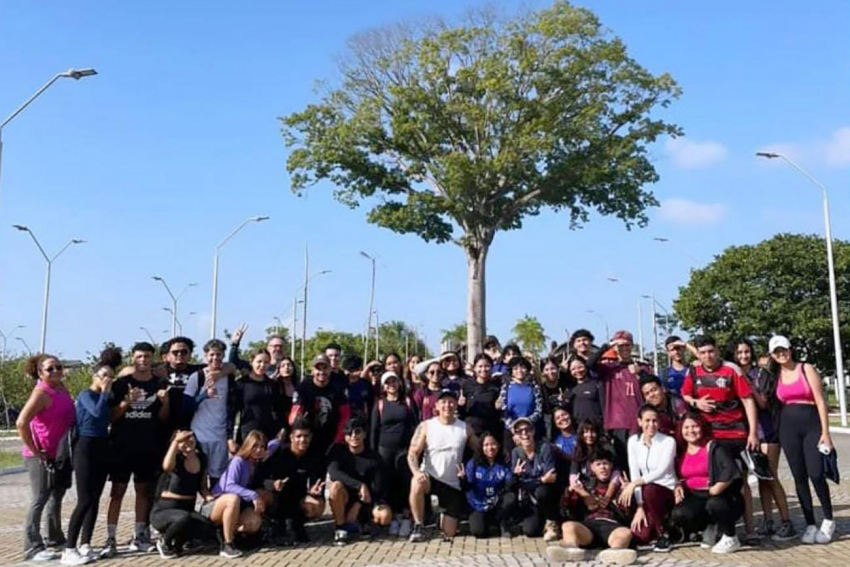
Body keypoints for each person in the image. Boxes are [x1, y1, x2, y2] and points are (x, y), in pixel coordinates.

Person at [681, 334, 760, 544]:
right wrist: (696, 403)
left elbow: (747, 400)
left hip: (735, 434)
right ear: (698, 354)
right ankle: (717, 526)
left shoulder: (730, 369)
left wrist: (753, 432)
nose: (708, 356)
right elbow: (686, 395)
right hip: (709, 438)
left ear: (717, 350)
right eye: (703, 352)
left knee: (740, 483)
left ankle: (750, 529)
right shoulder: (693, 370)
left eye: (711, 351)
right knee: (714, 482)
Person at [101, 342, 169, 557]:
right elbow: (111, 417)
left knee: (143, 492)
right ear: (133, 357)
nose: (143, 360)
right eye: (139, 356)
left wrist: (165, 402)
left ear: (152, 358)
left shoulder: (159, 384)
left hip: (148, 447)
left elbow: (162, 418)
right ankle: (110, 538)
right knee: (117, 492)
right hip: (122, 446)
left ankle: (140, 535)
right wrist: (126, 403)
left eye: (147, 357)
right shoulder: (122, 384)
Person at [770, 335, 835, 544]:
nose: (781, 354)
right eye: (776, 351)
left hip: (812, 426)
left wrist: (826, 433)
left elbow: (820, 401)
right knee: (799, 477)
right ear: (772, 355)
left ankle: (828, 519)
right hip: (788, 429)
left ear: (790, 349)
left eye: (784, 349)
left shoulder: (805, 368)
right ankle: (810, 523)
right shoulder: (776, 375)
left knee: (816, 473)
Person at [62, 349, 121, 566]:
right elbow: (96, 413)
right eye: (103, 375)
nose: (107, 380)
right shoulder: (86, 395)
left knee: (95, 498)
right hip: (85, 446)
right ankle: (69, 548)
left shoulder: (107, 396)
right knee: (84, 499)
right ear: (94, 377)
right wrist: (105, 392)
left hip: (102, 445)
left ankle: (86, 543)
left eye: (110, 376)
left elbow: (110, 417)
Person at [17, 354, 76, 562]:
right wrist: (35, 450)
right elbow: (21, 422)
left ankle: (54, 537)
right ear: (40, 373)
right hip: (40, 455)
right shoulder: (41, 392)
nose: (56, 371)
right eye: (50, 369)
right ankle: (31, 546)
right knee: (39, 497)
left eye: (58, 367)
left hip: (59, 453)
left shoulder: (61, 388)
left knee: (56, 495)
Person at [734, 338, 794, 540]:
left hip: (767, 432)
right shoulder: (732, 373)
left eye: (746, 352)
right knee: (761, 479)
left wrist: (747, 381)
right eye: (739, 352)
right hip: (746, 433)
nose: (743, 356)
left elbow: (762, 403)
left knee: (771, 476)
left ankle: (786, 521)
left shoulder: (762, 375)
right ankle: (768, 520)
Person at [407, 389, 477, 542]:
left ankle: (438, 513)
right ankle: (419, 525)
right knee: (416, 483)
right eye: (443, 402)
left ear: (456, 405)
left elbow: (481, 451)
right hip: (430, 478)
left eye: (451, 401)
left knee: (449, 533)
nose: (447, 405)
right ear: (436, 406)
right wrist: (417, 472)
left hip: (453, 484)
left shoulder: (465, 428)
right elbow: (412, 453)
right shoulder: (426, 426)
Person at [668, 413, 744, 554]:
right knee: (680, 514)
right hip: (696, 495)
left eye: (695, 426)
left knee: (714, 504)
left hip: (722, 496)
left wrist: (717, 488)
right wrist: (678, 484)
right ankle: (710, 526)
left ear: (702, 428)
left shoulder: (713, 447)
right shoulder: (681, 451)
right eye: (686, 427)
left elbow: (731, 468)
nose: (691, 431)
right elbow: (680, 474)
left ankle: (730, 536)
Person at [547, 450, 637, 566]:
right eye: (598, 464)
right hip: (589, 526)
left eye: (605, 464)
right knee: (568, 526)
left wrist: (626, 493)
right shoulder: (585, 485)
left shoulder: (619, 485)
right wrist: (570, 491)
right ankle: (571, 550)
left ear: (611, 466)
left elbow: (628, 513)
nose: (603, 468)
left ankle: (615, 552)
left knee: (625, 533)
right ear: (592, 467)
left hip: (612, 525)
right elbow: (567, 508)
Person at [256, 418, 326, 544]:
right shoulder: (279, 454)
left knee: (317, 504)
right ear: (291, 437)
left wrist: (314, 491)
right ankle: (270, 525)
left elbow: (317, 482)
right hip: (277, 498)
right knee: (261, 495)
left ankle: (297, 525)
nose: (303, 440)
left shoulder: (314, 456)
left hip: (298, 499)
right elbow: (260, 478)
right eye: (299, 436)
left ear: (311, 437)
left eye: (306, 436)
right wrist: (273, 484)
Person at [206, 430, 275, 558]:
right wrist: (253, 495)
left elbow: (276, 444)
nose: (258, 450)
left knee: (253, 522)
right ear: (248, 445)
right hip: (217, 503)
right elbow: (229, 486)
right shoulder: (238, 461)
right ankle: (227, 544)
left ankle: (232, 533)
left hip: (238, 505)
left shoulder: (256, 464)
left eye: (261, 447)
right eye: (255, 446)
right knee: (233, 498)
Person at [619, 404, 677, 552]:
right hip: (645, 494)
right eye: (647, 421)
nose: (651, 425)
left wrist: (635, 484)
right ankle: (658, 529)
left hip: (665, 490)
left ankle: (663, 534)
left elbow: (662, 471)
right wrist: (639, 506)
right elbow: (634, 472)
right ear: (639, 422)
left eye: (655, 420)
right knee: (640, 536)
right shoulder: (633, 441)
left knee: (649, 489)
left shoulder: (668, 441)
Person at [587, 331, 648, 471]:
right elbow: (589, 364)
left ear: (632, 346)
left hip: (639, 423)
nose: (624, 348)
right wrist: (606, 346)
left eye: (627, 345)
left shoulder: (642, 367)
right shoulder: (608, 368)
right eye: (619, 345)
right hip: (617, 424)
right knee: (621, 464)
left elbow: (652, 388)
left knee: (640, 464)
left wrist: (640, 373)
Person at [151, 430, 216, 558]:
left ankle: (181, 542)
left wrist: (211, 499)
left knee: (208, 527)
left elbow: (202, 487)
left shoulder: (202, 458)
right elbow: (167, 467)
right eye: (182, 440)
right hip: (164, 511)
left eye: (190, 438)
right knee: (183, 518)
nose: (187, 442)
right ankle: (165, 542)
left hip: (187, 509)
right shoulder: (174, 458)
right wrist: (176, 441)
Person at [328, 418, 392, 545]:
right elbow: (334, 473)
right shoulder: (337, 451)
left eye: (357, 432)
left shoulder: (374, 457)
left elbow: (379, 488)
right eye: (349, 433)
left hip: (367, 500)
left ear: (364, 434)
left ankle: (364, 523)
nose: (353, 436)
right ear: (345, 437)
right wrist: (359, 485)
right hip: (345, 498)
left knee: (385, 516)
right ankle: (341, 528)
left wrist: (358, 504)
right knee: (335, 487)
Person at [184, 339, 237, 487]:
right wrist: (204, 396)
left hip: (220, 435)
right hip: (199, 434)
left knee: (217, 478)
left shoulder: (228, 376)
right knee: (195, 476)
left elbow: (237, 364)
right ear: (206, 356)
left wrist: (235, 344)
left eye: (219, 354)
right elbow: (186, 405)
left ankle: (213, 509)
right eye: (212, 354)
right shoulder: (198, 377)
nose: (215, 358)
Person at [370, 371, 417, 537]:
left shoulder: (408, 402)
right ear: (383, 386)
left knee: (404, 482)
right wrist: (373, 454)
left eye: (394, 381)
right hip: (384, 450)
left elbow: (414, 426)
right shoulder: (380, 405)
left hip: (404, 449)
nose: (392, 385)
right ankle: (393, 517)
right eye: (388, 382)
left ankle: (406, 517)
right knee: (387, 484)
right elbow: (374, 430)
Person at [289, 354, 351, 458]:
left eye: (325, 368)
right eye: (318, 368)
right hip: (309, 439)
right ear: (313, 370)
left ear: (330, 369)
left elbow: (345, 415)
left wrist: (338, 440)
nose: (322, 372)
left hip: (331, 437)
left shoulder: (338, 388)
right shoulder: (304, 387)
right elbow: (294, 414)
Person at [510, 417, 560, 541]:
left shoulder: (544, 448)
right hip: (530, 498)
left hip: (546, 494)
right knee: (530, 531)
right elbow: (517, 484)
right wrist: (540, 479)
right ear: (515, 435)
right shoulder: (516, 453)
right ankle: (539, 521)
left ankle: (552, 522)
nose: (524, 434)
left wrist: (530, 481)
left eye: (527, 430)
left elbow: (551, 477)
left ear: (533, 431)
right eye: (519, 431)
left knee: (541, 491)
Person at [459, 432, 515, 538]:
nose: (490, 448)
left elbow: (509, 485)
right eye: (486, 445)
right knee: (479, 532)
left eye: (493, 444)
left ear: (498, 445)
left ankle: (502, 522)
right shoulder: (473, 463)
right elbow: (467, 487)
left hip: (497, 502)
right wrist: (463, 479)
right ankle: (488, 522)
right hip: (478, 504)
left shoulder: (504, 463)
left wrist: (515, 476)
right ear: (481, 447)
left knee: (510, 497)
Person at [228, 349, 285, 450]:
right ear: (251, 362)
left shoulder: (273, 385)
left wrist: (281, 431)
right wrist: (229, 438)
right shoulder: (241, 384)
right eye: (259, 361)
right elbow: (232, 413)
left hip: (269, 434)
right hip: (247, 434)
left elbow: (279, 410)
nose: (262, 365)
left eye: (266, 362)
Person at [497, 356, 544, 450]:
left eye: (522, 367)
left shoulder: (534, 387)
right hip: (511, 432)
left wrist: (526, 426)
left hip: (531, 431)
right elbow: (503, 411)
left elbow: (539, 410)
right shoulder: (505, 388)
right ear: (511, 371)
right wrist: (514, 429)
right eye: (515, 368)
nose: (519, 371)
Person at [459, 353, 502, 438]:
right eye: (480, 366)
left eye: (487, 366)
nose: (483, 369)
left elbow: (498, 413)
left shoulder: (497, 386)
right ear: (474, 368)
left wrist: (499, 408)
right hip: (470, 431)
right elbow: (462, 412)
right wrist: (460, 405)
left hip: (490, 432)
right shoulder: (467, 385)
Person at [564, 356, 603, 426]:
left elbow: (604, 407)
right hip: (579, 429)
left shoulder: (596, 384)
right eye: (573, 369)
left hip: (597, 427)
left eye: (580, 367)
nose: (577, 371)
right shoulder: (571, 389)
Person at [540, 357, 572, 440]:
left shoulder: (565, 384)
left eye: (553, 368)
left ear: (558, 369)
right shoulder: (541, 389)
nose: (550, 372)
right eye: (546, 369)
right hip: (550, 429)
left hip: (568, 425)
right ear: (542, 372)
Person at [343, 354, 373, 420]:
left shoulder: (366, 384)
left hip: (362, 421)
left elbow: (370, 404)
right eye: (351, 370)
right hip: (345, 420)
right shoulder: (342, 383)